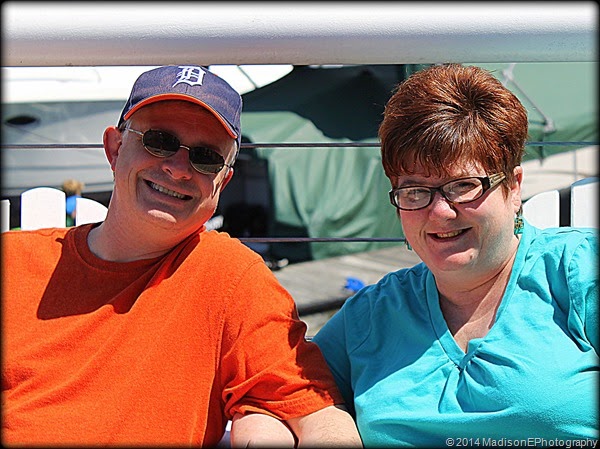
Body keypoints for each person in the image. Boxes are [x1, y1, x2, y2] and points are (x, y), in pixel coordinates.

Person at [2, 65, 362, 447]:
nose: (177, 169)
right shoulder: (14, 260)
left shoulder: (231, 280)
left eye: (206, 158)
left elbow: (317, 412)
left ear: (223, 181)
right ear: (115, 148)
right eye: (159, 141)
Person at [313, 64, 598, 446]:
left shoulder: (578, 273)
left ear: (514, 187)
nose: (440, 212)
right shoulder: (370, 317)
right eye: (415, 191)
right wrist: (325, 422)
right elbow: (286, 391)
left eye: (463, 185)